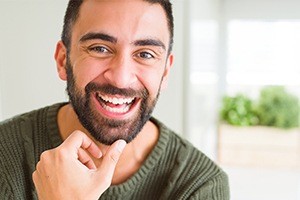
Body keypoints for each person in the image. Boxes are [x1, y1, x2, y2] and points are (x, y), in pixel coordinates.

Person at [0, 0, 230, 199]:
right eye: (99, 48)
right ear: (63, 61)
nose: (120, 78)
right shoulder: (4, 152)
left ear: (165, 72)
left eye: (145, 54)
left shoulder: (201, 186)